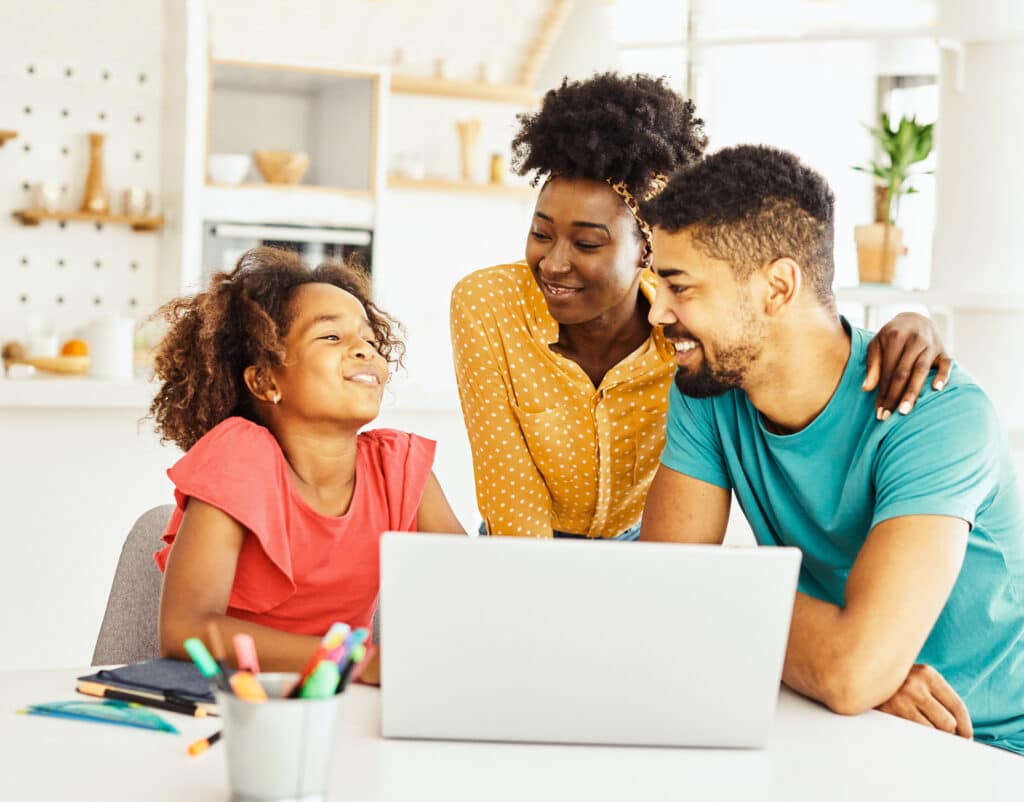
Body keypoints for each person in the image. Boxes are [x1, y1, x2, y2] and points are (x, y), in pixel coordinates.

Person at [451, 72, 952, 541]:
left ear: (648, 249)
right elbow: (510, 493)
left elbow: (787, 320)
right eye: (540, 233)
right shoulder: (489, 305)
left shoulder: (690, 326)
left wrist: (910, 322)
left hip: (649, 548)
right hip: (519, 549)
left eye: (587, 244)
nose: (554, 263)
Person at [639, 144, 1024, 754]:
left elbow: (849, 672)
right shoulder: (707, 389)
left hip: (987, 746)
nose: (657, 311)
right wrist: (860, 669)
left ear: (777, 286)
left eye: (679, 287)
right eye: (656, 282)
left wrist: (857, 665)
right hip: (837, 718)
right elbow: (659, 591)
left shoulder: (938, 414)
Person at [149, 247, 464, 677]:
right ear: (265, 379)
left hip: (343, 707)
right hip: (236, 704)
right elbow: (184, 629)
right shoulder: (239, 458)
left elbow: (472, 594)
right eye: (332, 337)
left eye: (370, 340)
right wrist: (353, 662)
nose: (364, 351)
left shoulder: (400, 468)